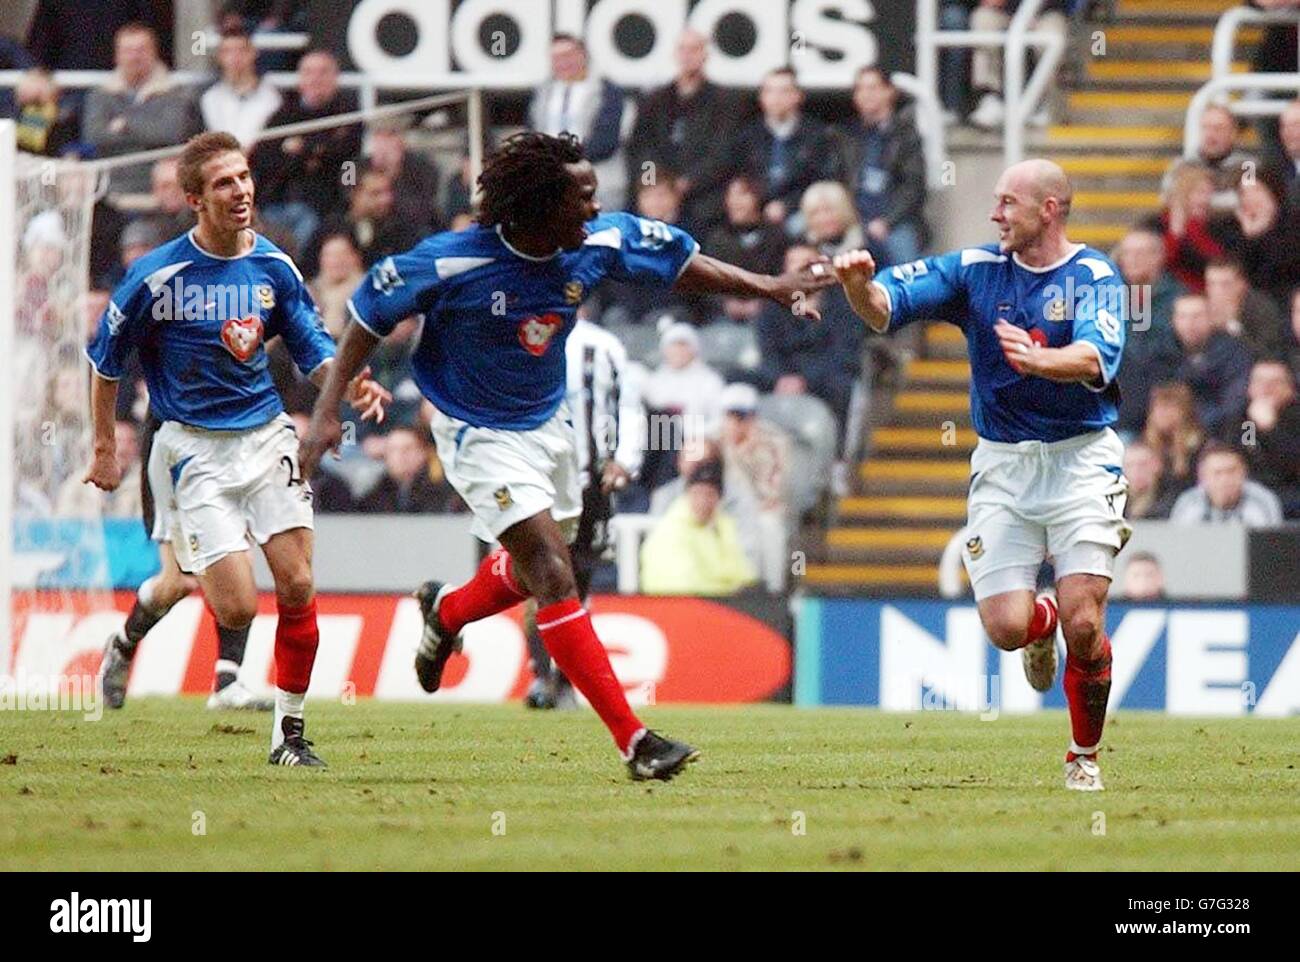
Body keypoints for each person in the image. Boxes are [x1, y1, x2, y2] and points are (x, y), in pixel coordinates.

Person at [301, 131, 830, 781]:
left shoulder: (595, 243)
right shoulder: (451, 261)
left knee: (529, 574)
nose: (593, 206)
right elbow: (366, 316)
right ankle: (637, 742)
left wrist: (772, 285)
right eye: (580, 196)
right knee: (554, 573)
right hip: (476, 431)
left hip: (551, 424)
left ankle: (447, 613)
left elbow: (680, 264)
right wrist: (327, 412)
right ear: (536, 205)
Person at [84, 131, 391, 765]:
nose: (241, 190)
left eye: (245, 177)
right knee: (227, 601)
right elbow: (105, 364)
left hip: (265, 435)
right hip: (189, 450)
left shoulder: (274, 266)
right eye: (224, 182)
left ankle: (290, 735)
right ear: (195, 199)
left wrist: (348, 381)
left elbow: (310, 345)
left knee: (299, 584)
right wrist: (104, 449)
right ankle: (123, 644)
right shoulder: (156, 275)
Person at [835, 158, 1128, 792]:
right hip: (1004, 466)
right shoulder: (974, 270)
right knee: (1005, 628)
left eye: (1008, 203)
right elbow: (886, 307)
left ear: (1049, 209)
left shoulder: (1095, 274)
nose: (995, 213)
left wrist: (1042, 359)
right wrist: (859, 285)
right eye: (994, 201)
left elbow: (1096, 356)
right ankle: (1037, 626)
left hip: (1081, 461)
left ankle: (1083, 755)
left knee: (1087, 620)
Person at [524, 310, 645, 710]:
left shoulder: (603, 345)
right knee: (538, 576)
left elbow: (628, 405)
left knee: (579, 583)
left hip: (590, 483)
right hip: (536, 480)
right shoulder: (521, 336)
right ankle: (543, 677)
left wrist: (626, 459)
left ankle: (563, 681)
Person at [625, 29, 745, 235]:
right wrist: (653, 182)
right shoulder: (655, 100)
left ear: (706, 54)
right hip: (656, 190)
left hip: (704, 198)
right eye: (683, 49)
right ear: (675, 54)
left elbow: (724, 152)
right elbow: (640, 147)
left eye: (694, 49)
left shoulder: (725, 102)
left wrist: (686, 183)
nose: (688, 55)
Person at [250, 49, 361, 253]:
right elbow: (264, 157)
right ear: (300, 78)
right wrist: (312, 153)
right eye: (309, 72)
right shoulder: (283, 114)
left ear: (335, 78)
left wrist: (301, 149)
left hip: (324, 204)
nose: (315, 79)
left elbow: (346, 155)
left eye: (323, 72)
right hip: (275, 201)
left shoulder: (347, 114)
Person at [81, 23, 201, 196]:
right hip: (111, 187)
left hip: (162, 190)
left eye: (141, 50)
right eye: (128, 50)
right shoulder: (100, 95)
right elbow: (94, 135)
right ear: (117, 55)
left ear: (154, 52)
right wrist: (149, 129)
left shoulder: (176, 93)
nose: (134, 57)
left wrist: (125, 125)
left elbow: (172, 133)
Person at [528, 34, 631, 212]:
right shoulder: (542, 94)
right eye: (556, 58)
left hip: (599, 182)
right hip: (552, 183)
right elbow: (532, 133)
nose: (563, 63)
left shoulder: (607, 91)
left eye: (568, 55)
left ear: (582, 55)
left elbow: (607, 140)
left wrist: (567, 160)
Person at [736, 68, 841, 235]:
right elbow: (740, 177)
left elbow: (823, 181)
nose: (776, 98)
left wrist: (787, 205)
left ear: (798, 96)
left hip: (800, 210)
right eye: (770, 91)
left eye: (784, 91)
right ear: (761, 97)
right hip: (757, 209)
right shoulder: (749, 136)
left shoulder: (816, 135)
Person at [844, 66, 928, 267]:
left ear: (890, 91)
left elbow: (914, 187)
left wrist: (887, 221)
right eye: (860, 89)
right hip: (852, 218)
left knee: (907, 267)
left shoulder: (907, 135)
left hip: (894, 220)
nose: (866, 95)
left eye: (873, 88)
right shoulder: (846, 135)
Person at [640, 459, 758, 596]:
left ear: (719, 498)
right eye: (697, 493)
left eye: (709, 494)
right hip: (677, 606)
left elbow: (744, 573)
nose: (702, 501)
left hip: (722, 603)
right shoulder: (672, 529)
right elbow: (682, 584)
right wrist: (729, 590)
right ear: (686, 494)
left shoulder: (723, 527)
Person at [1170, 293, 1252, 436]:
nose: (1189, 324)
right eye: (1183, 316)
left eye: (1197, 316)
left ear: (1211, 318)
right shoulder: (1163, 353)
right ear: (1173, 321)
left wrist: (1197, 421)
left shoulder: (1233, 353)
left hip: (1220, 430)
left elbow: (1235, 401)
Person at [1230, 358, 1300, 516]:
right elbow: (1247, 453)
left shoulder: (1296, 417)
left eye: (1275, 382)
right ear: (1250, 388)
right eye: (1259, 381)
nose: (1266, 388)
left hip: (1292, 491)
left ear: (1290, 389)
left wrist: (1271, 430)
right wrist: (1255, 426)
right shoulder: (1244, 420)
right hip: (1251, 491)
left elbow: (1294, 462)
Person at [200, 26, 283, 149]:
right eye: (227, 51)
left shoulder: (272, 98)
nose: (235, 57)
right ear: (219, 57)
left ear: (254, 53)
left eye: (241, 50)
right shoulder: (209, 98)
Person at [1169, 440, 1284, 526]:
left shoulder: (1262, 501)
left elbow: (1272, 547)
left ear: (1244, 472)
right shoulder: (1188, 503)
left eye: (1231, 471)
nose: (1225, 479)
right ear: (1202, 477)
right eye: (1217, 473)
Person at [356, 426, 461, 513]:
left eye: (407, 449)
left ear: (423, 452)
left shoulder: (441, 491)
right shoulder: (377, 493)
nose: (399, 457)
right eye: (392, 450)